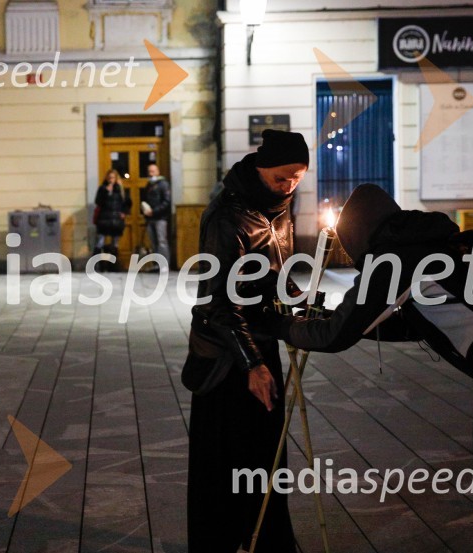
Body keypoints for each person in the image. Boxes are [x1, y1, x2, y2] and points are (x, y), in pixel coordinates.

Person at [266, 184, 473, 553]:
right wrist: (338, 322)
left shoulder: (388, 258)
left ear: (355, 232)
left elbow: (336, 335)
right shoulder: (431, 235)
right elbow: (415, 323)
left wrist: (281, 326)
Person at [184, 129, 309, 553]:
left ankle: (267, 540)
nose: (290, 184)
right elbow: (218, 299)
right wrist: (251, 365)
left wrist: (290, 295)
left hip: (261, 344)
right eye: (282, 176)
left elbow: (272, 271)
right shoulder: (228, 216)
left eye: (298, 176)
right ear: (261, 168)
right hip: (226, 357)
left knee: (266, 457)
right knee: (225, 462)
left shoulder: (279, 208)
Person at [94, 169, 132, 264]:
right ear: (107, 178)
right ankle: (97, 264)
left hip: (116, 220)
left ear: (116, 178)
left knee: (114, 243)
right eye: (109, 177)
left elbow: (128, 203)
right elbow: (98, 202)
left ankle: (113, 265)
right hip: (104, 220)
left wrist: (124, 212)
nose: (111, 179)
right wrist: (106, 192)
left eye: (113, 177)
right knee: (100, 242)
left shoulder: (120, 189)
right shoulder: (102, 188)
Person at [141, 163, 171, 267]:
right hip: (150, 218)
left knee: (161, 241)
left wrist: (154, 211)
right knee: (153, 242)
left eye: (153, 171)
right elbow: (145, 199)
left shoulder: (163, 184)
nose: (151, 173)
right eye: (149, 171)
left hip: (160, 217)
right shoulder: (149, 184)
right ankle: (156, 264)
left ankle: (164, 264)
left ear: (158, 172)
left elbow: (167, 202)